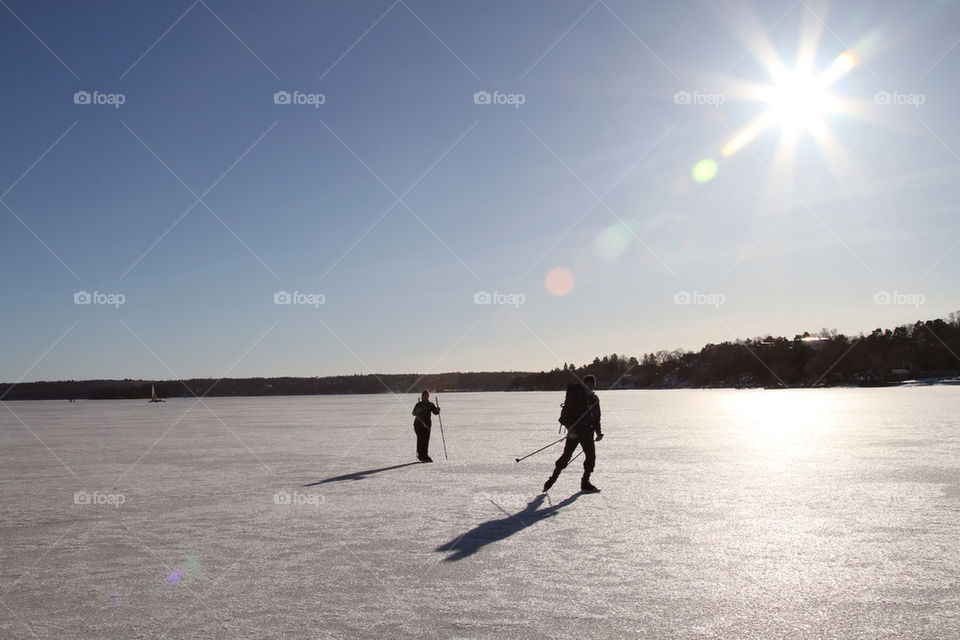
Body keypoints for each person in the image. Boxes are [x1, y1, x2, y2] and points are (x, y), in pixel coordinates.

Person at [543, 375, 603, 493]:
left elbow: (596, 418)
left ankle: (585, 482)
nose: (590, 387)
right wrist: (570, 428)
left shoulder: (594, 399)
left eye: (592, 385)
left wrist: (598, 432)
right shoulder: (576, 398)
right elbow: (564, 417)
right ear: (584, 384)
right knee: (566, 456)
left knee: (591, 457)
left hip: (587, 433)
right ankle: (552, 479)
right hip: (574, 432)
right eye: (588, 384)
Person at [412, 390, 440, 463]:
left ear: (427, 396)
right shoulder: (419, 404)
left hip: (427, 425)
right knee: (421, 439)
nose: (424, 397)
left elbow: (435, 412)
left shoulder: (430, 405)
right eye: (423, 396)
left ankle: (425, 455)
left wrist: (438, 410)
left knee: (426, 440)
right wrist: (419, 410)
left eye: (425, 396)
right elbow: (413, 413)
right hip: (418, 425)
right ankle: (421, 455)